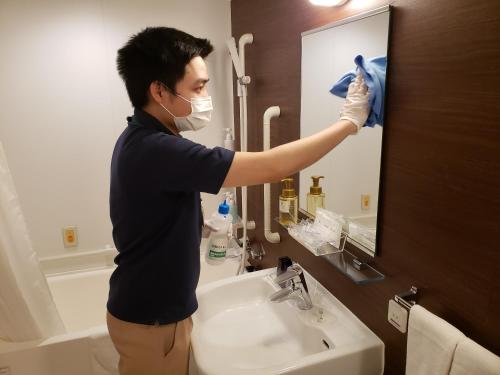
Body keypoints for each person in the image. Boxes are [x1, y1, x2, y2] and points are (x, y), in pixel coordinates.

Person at [106, 26, 369, 375]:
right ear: (159, 90)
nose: (205, 96)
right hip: (152, 322)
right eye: (197, 87)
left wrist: (195, 227)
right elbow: (273, 166)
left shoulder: (139, 138)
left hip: (144, 310)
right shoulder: (158, 149)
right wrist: (348, 122)